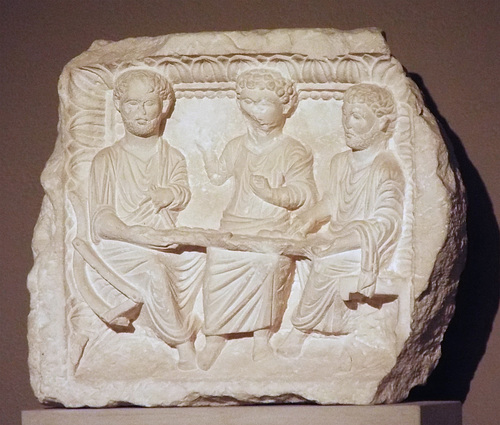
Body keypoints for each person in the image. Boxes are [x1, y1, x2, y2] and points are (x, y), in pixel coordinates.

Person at [197, 68, 318, 369]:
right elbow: (218, 176)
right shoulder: (237, 145)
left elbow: (305, 194)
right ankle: (215, 337)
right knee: (217, 261)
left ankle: (261, 339)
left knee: (267, 264)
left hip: (271, 230)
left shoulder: (293, 150)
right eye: (249, 102)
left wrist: (273, 194)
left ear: (286, 106)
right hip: (235, 226)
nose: (255, 111)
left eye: (264, 103)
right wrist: (208, 160)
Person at [278, 83, 405, 358]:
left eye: (357, 117)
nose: (348, 124)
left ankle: (299, 331)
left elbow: (386, 222)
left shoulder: (385, 166)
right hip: (336, 237)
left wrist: (338, 243)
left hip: (366, 247)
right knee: (289, 250)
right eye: (345, 115)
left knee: (326, 261)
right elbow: (331, 202)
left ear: (381, 122)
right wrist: (307, 218)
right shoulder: (339, 162)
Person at [88, 69, 200, 370]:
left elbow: (182, 193)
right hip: (122, 246)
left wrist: (171, 194)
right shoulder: (106, 160)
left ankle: (216, 337)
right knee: (153, 271)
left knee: (207, 260)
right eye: (132, 103)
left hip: (164, 241)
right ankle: (182, 343)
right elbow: (100, 221)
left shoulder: (173, 157)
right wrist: (133, 233)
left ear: (163, 107)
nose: (141, 112)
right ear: (119, 106)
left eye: (149, 103)